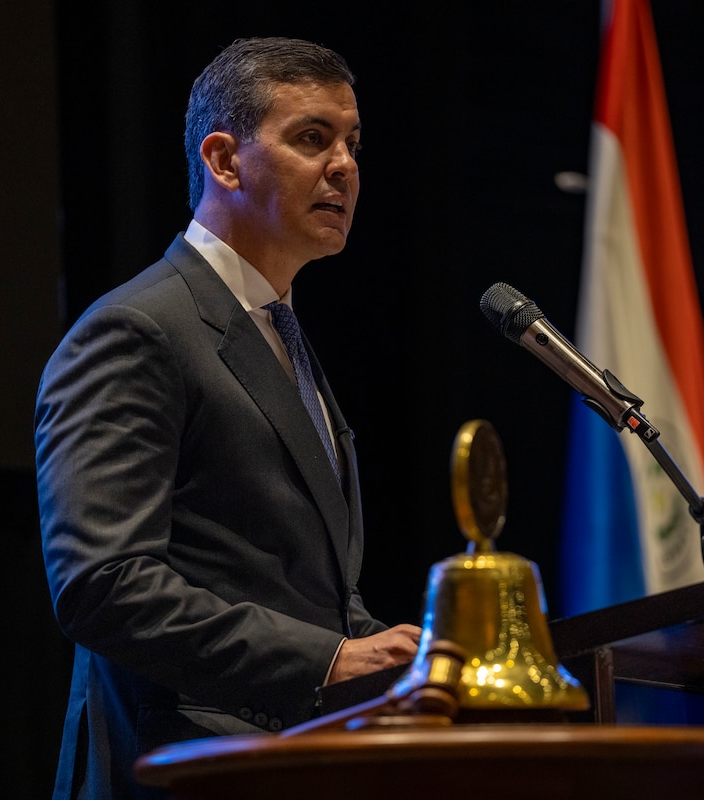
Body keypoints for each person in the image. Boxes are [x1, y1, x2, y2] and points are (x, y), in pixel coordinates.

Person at [35, 36, 421, 800]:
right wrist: (327, 660)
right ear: (223, 161)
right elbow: (102, 584)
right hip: (174, 770)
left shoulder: (278, 332)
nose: (344, 166)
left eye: (352, 143)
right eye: (312, 138)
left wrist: (404, 659)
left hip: (284, 767)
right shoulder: (139, 330)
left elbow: (294, 591)